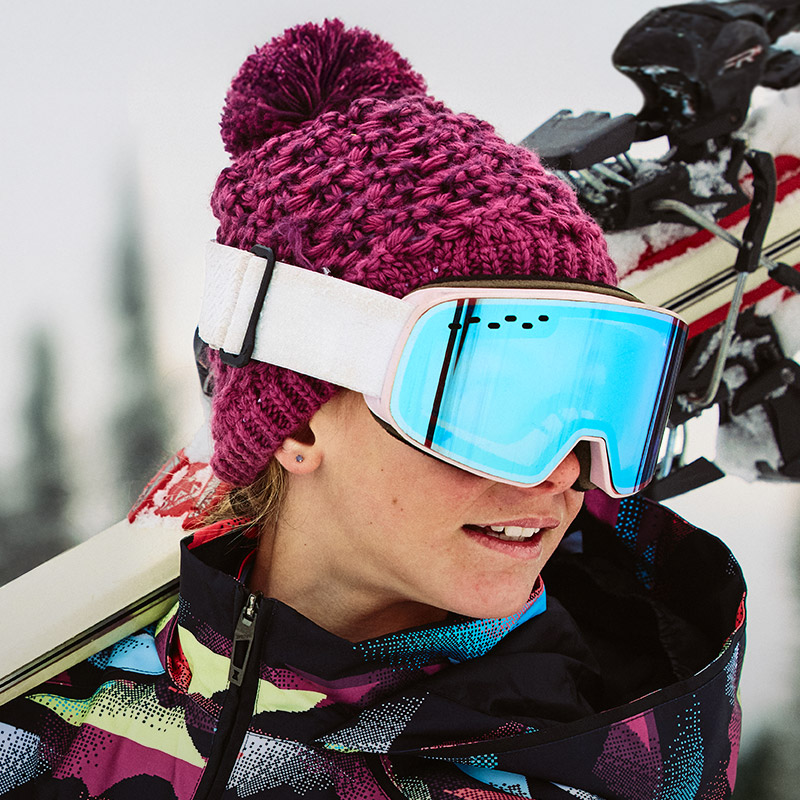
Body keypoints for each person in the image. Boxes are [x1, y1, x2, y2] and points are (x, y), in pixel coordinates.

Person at [0, 19, 744, 800]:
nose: (564, 471)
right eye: (496, 402)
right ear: (296, 421)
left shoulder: (573, 774)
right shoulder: (48, 722)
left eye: (602, 402)